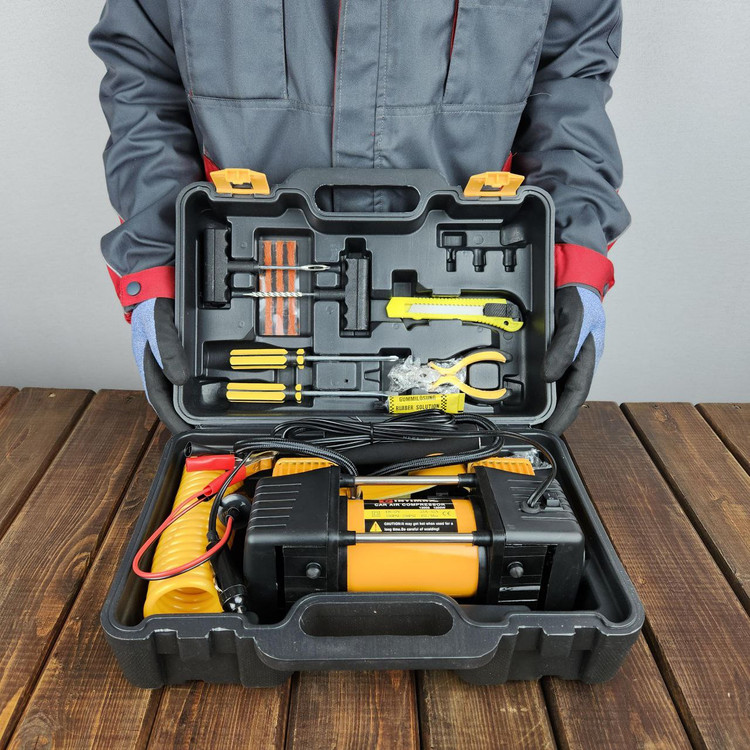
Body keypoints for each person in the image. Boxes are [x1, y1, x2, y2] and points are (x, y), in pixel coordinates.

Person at [90, 1, 629, 434]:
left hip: (465, 409)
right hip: (257, 385)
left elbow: (571, 84)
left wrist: (575, 259)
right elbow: (143, 82)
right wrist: (158, 267)